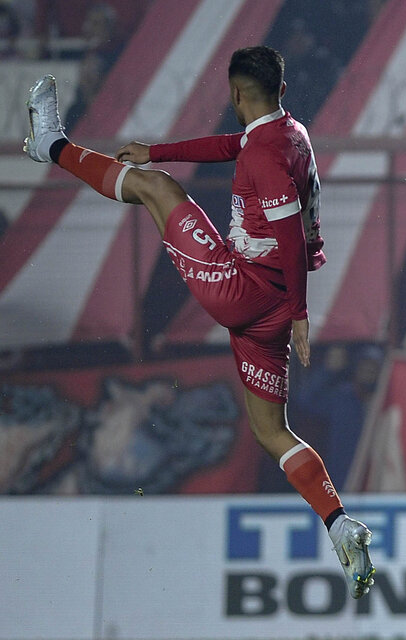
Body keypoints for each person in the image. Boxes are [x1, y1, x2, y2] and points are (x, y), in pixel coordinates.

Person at [23, 46, 375, 599]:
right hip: (270, 313)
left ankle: (51, 145)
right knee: (271, 431)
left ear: (236, 95)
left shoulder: (261, 156)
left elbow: (285, 233)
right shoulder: (290, 133)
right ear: (280, 92)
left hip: (246, 290)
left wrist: (302, 315)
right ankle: (338, 522)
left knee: (155, 188)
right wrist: (157, 148)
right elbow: (230, 146)